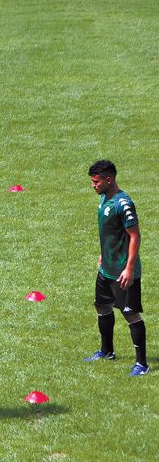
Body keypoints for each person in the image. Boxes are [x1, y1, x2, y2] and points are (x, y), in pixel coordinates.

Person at [86, 160, 149, 376]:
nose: (93, 186)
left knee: (131, 314)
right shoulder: (104, 198)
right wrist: (104, 254)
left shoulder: (124, 204)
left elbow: (135, 236)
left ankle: (142, 364)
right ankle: (107, 352)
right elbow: (110, 232)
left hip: (123, 273)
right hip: (106, 269)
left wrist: (129, 268)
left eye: (96, 182)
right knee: (102, 307)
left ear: (108, 179)